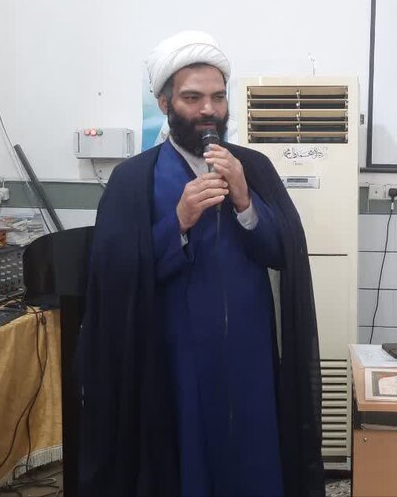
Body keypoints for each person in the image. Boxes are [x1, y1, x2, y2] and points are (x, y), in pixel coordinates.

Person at [75, 30, 325, 496]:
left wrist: (246, 200)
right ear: (165, 104)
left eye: (217, 97)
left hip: (249, 352)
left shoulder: (253, 167)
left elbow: (282, 252)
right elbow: (114, 275)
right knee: (188, 463)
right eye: (192, 98)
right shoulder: (134, 179)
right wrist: (179, 221)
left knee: (255, 457)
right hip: (176, 357)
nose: (208, 110)